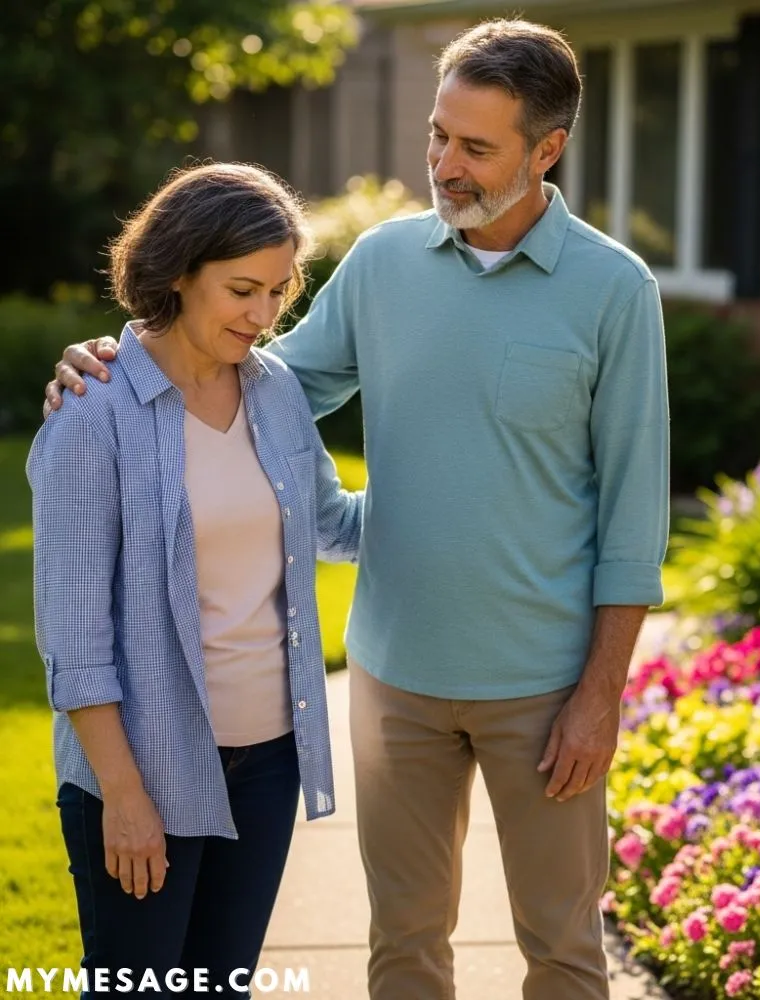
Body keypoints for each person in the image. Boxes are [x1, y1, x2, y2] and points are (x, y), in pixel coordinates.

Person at [45, 18, 670, 1000]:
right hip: (393, 680)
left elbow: (635, 519)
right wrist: (115, 363)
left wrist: (600, 695)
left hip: (542, 685)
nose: (444, 165)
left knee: (562, 949)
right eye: (437, 135)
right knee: (404, 945)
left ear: (546, 149)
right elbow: (249, 375)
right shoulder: (382, 265)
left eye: (476, 147)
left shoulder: (614, 291)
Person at [31, 162, 364, 997]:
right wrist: (123, 796)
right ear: (179, 273)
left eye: (279, 292)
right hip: (144, 769)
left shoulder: (275, 390)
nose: (263, 316)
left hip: (270, 759)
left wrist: (469, 478)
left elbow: (334, 525)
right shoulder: (92, 414)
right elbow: (75, 645)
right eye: (242, 291)